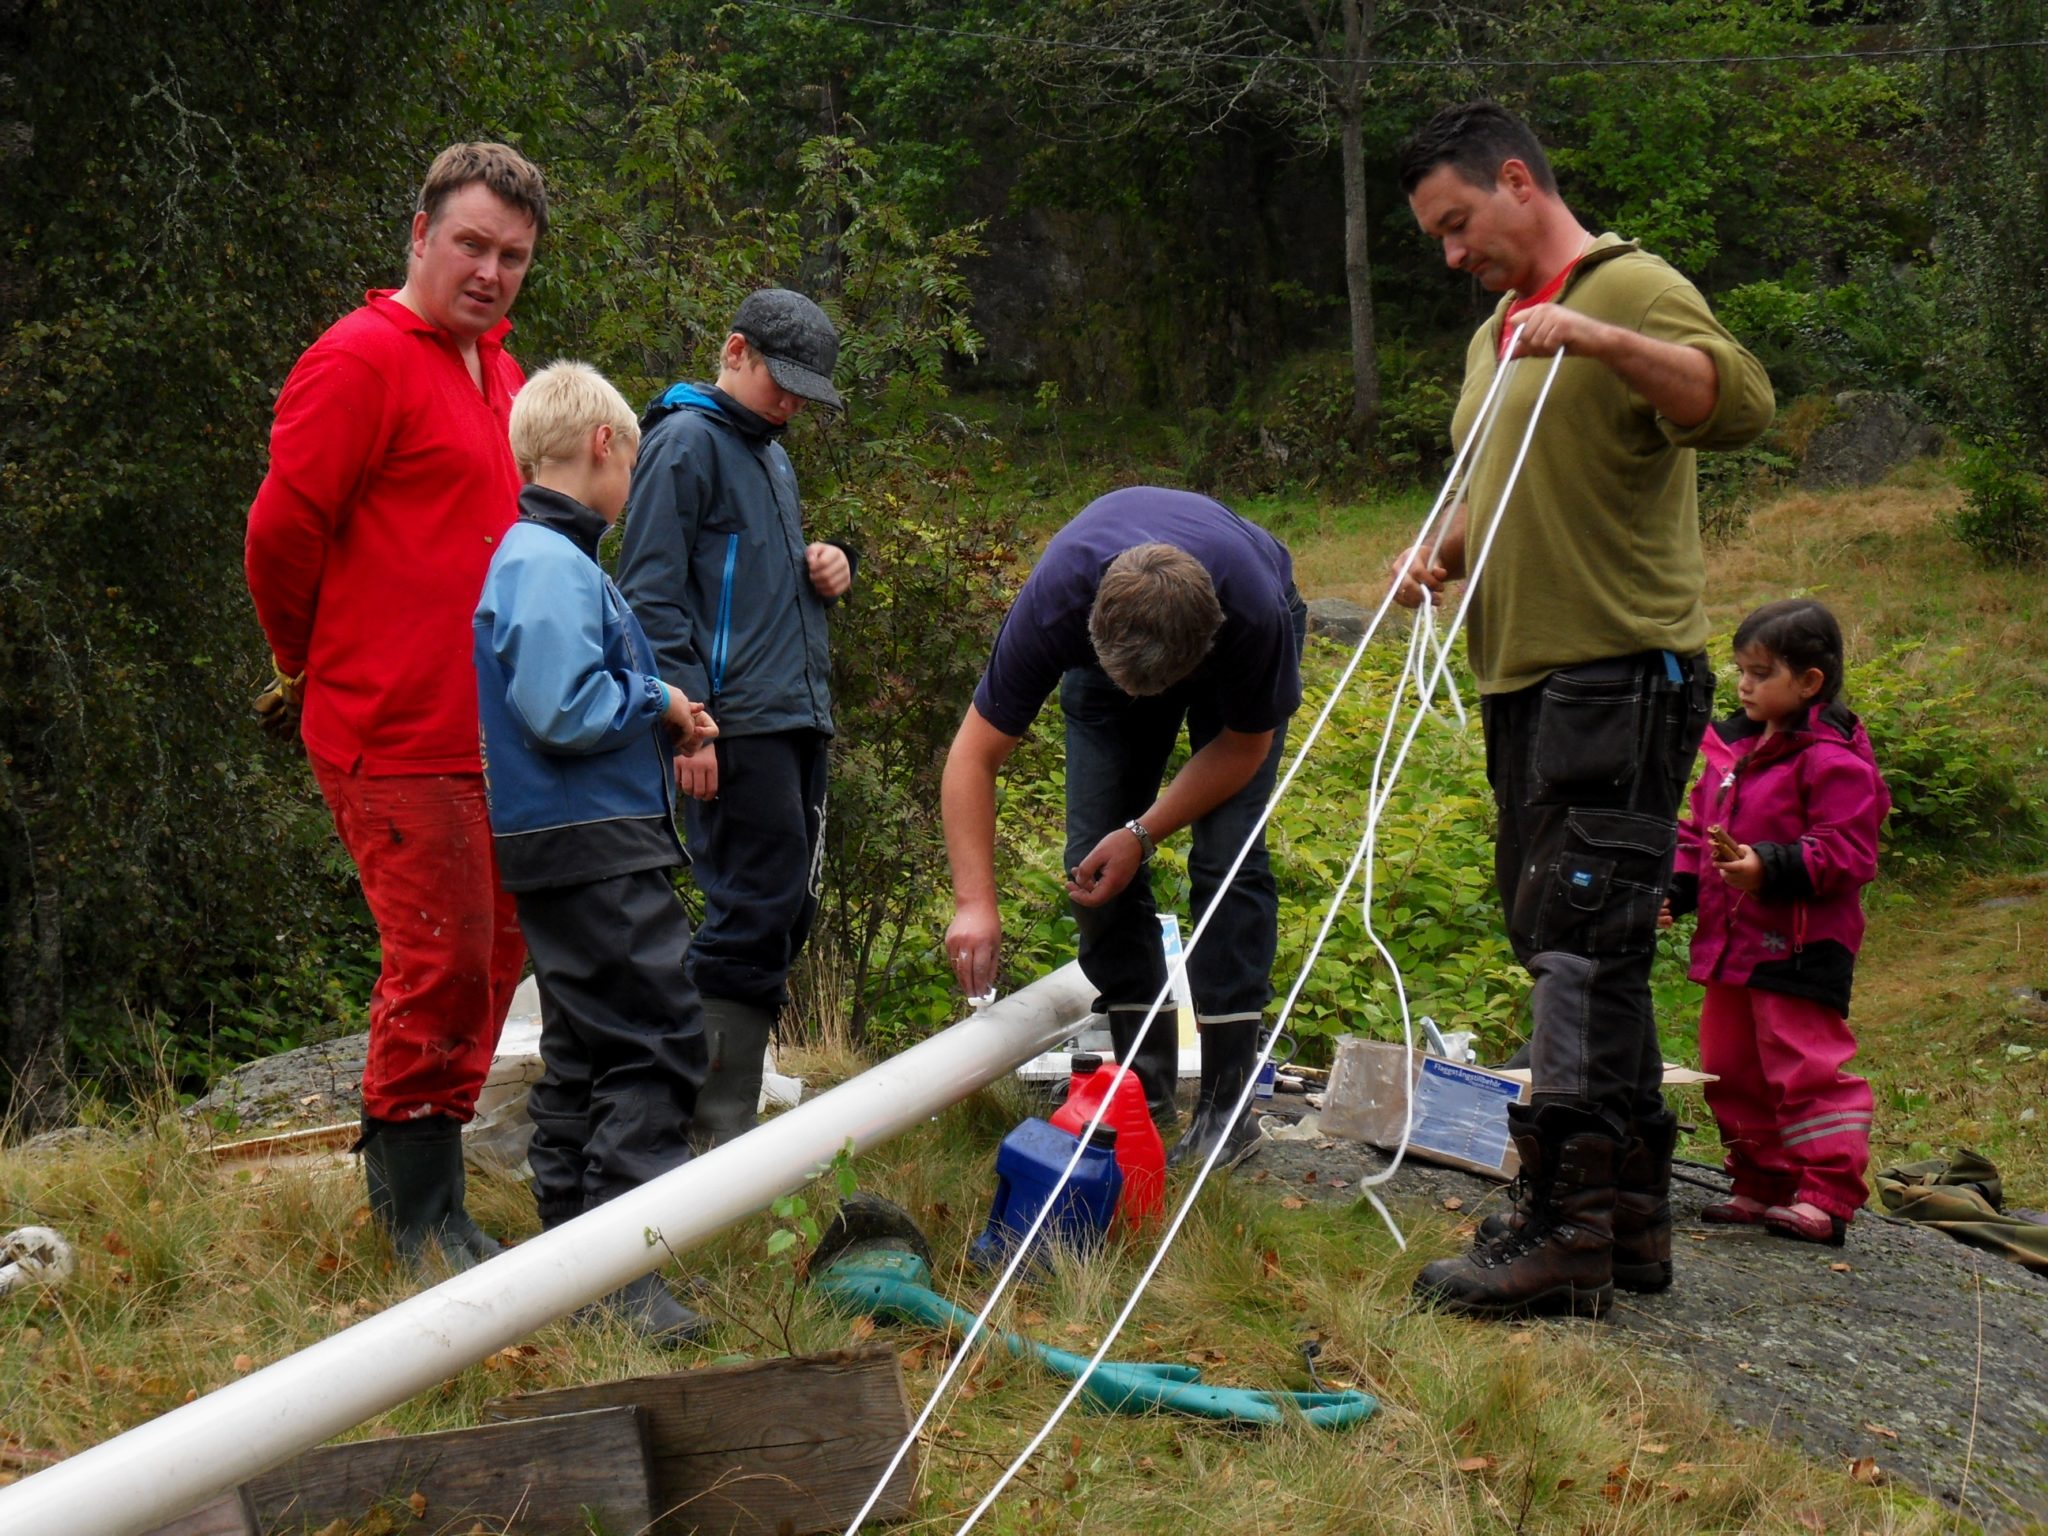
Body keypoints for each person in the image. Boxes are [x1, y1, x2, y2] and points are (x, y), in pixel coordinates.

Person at [1391, 101, 1775, 1318]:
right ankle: (1627, 1229)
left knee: (1573, 949)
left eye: (1459, 225)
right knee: (1584, 949)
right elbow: (1496, 483)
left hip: (1618, 674)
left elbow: (1737, 402)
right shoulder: (1493, 334)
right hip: (1525, 678)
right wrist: (1437, 550)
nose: (1453, 255)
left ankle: (1558, 1228)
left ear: (1516, 182)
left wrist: (1596, 340)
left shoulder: (1629, 286)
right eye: (1436, 240)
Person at [244, 142, 549, 1268]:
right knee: (439, 956)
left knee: (498, 952)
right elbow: (279, 535)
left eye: (511, 255)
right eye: (469, 243)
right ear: (419, 234)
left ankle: (440, 1186)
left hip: (494, 734)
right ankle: (415, 1220)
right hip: (389, 728)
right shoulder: (360, 358)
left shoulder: (503, 378)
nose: (488, 270)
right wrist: (303, 664)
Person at [942, 487, 1307, 1171]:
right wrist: (974, 903)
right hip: (1119, 640)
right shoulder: (1056, 604)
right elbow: (973, 754)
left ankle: (1228, 1106)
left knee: (1226, 860)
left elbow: (1242, 750)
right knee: (1090, 861)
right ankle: (1145, 1081)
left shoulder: (1255, 615)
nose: (1151, 704)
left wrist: (1143, 834)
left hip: (1232, 631)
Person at [473, 361, 719, 1341]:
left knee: (582, 1047)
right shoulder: (545, 562)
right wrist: (655, 700)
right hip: (590, 844)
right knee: (657, 1034)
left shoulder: (542, 558)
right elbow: (562, 705)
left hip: (571, 837)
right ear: (606, 448)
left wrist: (655, 712)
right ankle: (623, 1277)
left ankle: (567, 1255)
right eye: (635, 460)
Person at [615, 289, 853, 1146]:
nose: (790, 403)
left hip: (790, 717)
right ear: (734, 350)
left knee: (781, 910)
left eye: (804, 392)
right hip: (730, 724)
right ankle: (706, 1134)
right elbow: (649, 594)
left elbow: (742, 585)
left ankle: (710, 1116)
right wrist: (688, 724)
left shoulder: (768, 455)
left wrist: (829, 565)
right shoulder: (684, 443)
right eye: (780, 382)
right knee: (752, 909)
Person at [1667, 600, 1888, 1246]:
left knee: (1804, 1067)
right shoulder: (1732, 747)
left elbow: (1849, 851)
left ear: (1810, 682)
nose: (1743, 685)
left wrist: (1768, 867)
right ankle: (1760, 1177)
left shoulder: (1834, 758)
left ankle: (1825, 1189)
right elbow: (1696, 829)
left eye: (1761, 673)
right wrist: (1678, 888)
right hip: (1729, 946)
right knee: (1730, 1066)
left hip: (1798, 946)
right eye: (1740, 670)